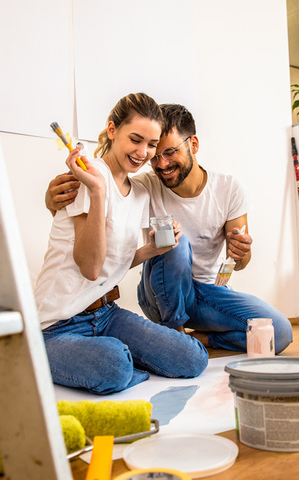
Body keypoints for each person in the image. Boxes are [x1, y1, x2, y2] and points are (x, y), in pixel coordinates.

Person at [46, 103, 293, 354]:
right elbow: (96, 205)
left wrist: (242, 254)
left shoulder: (229, 189)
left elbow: (239, 263)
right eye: (155, 156)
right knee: (177, 242)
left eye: (171, 152)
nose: (162, 164)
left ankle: (201, 340)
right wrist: (51, 201)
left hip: (205, 293)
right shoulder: (145, 186)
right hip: (158, 294)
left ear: (193, 144)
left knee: (279, 333)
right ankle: (176, 335)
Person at [35, 94, 208, 395]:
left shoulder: (138, 191)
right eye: (136, 139)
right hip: (57, 325)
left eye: (151, 145)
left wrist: (153, 250)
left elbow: (115, 261)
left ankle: (117, 361)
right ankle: (77, 359)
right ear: (112, 130)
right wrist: (98, 192)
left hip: (106, 315)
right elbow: (90, 268)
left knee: (192, 358)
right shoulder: (90, 177)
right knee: (114, 364)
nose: (143, 153)